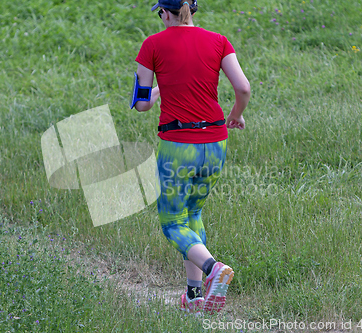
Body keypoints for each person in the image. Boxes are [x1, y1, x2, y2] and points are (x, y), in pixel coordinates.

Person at [133, 0, 250, 314]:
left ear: (165, 13)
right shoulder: (218, 40)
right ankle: (194, 295)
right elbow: (243, 87)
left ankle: (214, 269)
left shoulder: (152, 45)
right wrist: (235, 115)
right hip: (215, 142)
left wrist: (154, 90)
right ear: (192, 11)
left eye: (160, 14)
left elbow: (141, 104)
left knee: (172, 222)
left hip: (178, 144)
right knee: (193, 213)